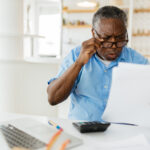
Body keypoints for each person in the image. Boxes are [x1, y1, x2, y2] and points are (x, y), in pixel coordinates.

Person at [47, 6, 149, 121]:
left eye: (120, 39)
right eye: (106, 38)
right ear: (93, 33)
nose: (114, 46)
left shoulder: (135, 60)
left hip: (121, 132)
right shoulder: (76, 55)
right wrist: (79, 63)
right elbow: (53, 98)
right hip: (82, 131)